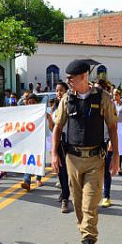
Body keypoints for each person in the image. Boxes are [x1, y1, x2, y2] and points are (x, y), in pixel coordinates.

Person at [51, 60, 119, 244]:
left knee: (90, 204)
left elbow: (113, 127)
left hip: (95, 160)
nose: (68, 81)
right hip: (72, 159)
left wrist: (116, 155)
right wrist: (54, 153)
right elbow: (57, 127)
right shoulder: (66, 100)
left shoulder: (103, 98)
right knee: (79, 204)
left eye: (71, 78)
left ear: (83, 77)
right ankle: (86, 237)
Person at [20, 94, 50, 190]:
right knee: (29, 160)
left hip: (39, 140)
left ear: (37, 103)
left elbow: (48, 123)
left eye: (33, 102)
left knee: (39, 159)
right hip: (29, 140)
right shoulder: (25, 113)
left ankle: (38, 178)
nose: (31, 104)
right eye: (29, 102)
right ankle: (27, 181)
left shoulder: (42, 112)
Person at [52, 81, 71, 214]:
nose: (59, 93)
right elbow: (52, 128)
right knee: (59, 170)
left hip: (68, 141)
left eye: (61, 90)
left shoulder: (70, 105)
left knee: (67, 171)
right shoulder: (54, 107)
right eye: (57, 90)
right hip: (57, 142)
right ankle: (64, 192)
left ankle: (65, 198)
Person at [112, 89, 122, 176]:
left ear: (120, 95)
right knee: (112, 147)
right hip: (113, 126)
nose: (115, 96)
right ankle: (113, 165)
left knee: (120, 148)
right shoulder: (111, 104)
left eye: (117, 94)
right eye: (114, 94)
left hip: (121, 126)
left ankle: (119, 166)